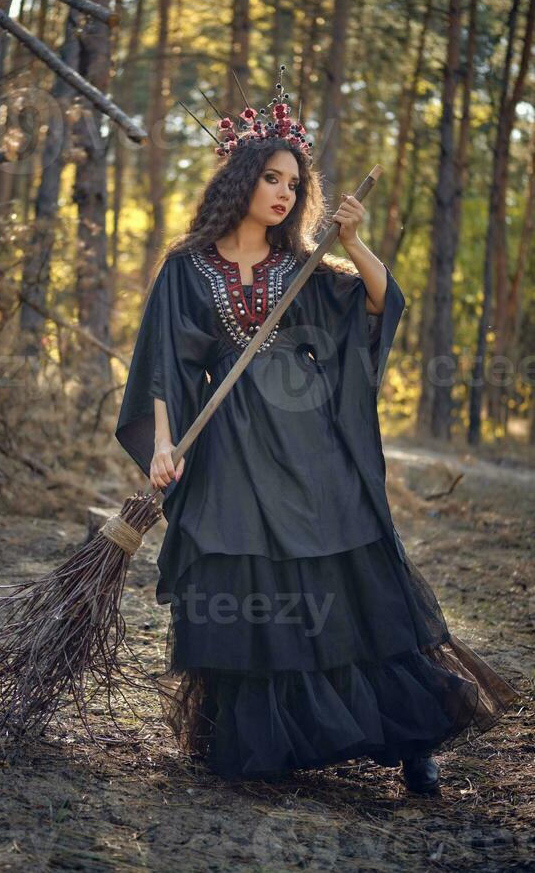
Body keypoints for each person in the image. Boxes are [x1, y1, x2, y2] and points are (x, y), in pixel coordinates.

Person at [114, 87, 517, 793]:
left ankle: (411, 740)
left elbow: (377, 303)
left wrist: (356, 243)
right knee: (242, 580)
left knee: (346, 581)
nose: (284, 193)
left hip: (310, 450)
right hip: (229, 454)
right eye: (272, 177)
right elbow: (161, 369)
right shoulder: (185, 268)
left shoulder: (305, 269)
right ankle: (265, 742)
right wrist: (161, 445)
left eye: (294, 184)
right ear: (241, 177)